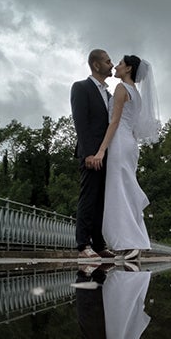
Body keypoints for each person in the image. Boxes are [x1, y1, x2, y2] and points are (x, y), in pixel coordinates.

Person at [89, 55, 160, 260]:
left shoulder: (121, 89)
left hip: (119, 142)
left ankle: (131, 242)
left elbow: (114, 122)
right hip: (130, 143)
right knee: (126, 189)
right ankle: (134, 241)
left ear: (128, 69)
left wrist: (102, 150)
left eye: (120, 64)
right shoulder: (136, 94)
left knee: (119, 191)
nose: (116, 67)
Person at [70, 49, 116, 261]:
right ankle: (83, 245)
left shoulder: (109, 94)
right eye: (107, 61)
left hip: (107, 154)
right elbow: (81, 122)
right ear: (96, 65)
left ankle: (98, 244)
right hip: (91, 154)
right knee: (88, 198)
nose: (112, 64)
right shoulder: (81, 88)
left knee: (102, 201)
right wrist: (89, 153)